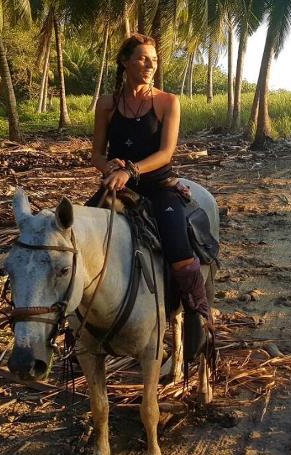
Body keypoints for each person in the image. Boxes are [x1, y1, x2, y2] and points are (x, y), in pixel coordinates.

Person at [90, 34, 212, 330]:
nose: (150, 65)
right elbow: (96, 153)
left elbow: (166, 153)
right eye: (143, 58)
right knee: (76, 237)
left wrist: (130, 170)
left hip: (158, 187)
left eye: (154, 60)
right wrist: (108, 165)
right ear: (124, 61)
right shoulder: (107, 104)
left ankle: (199, 320)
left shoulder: (167, 102)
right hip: (117, 188)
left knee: (180, 255)